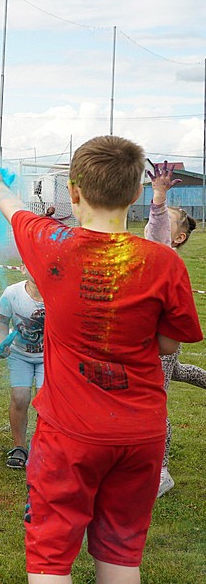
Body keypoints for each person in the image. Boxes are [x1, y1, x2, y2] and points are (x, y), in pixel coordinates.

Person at [0, 137, 202, 582]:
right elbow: (169, 346)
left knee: (50, 554)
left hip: (69, 434)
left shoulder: (51, 244)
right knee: (121, 557)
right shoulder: (164, 262)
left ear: (74, 193)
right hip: (141, 433)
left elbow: (13, 209)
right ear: (137, 193)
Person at [144, 160, 206, 497]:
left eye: (166, 218)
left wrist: (158, 197)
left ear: (178, 237)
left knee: (156, 400)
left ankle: (162, 471)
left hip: (161, 339)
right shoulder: (149, 252)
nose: (158, 219)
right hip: (146, 340)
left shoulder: (166, 254)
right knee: (176, 372)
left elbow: (155, 230)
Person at [0, 264, 45, 470]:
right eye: (32, 264)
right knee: (20, 397)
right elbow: (1, 321)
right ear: (23, 269)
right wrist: (1, 343)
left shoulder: (56, 294)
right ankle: (19, 447)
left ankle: (43, 448)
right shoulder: (12, 293)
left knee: (45, 402)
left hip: (48, 357)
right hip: (20, 356)